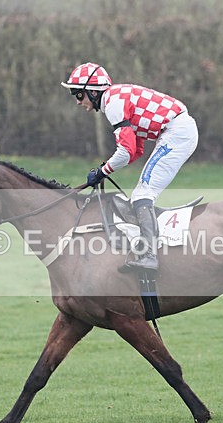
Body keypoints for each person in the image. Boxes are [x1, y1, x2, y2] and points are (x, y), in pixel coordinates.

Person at [61, 62, 198, 272]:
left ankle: (149, 256)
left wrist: (102, 171)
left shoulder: (113, 103)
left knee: (143, 195)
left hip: (177, 133)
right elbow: (136, 150)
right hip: (176, 131)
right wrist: (104, 170)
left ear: (93, 92)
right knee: (140, 195)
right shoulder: (116, 99)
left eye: (78, 94)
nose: (77, 101)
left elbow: (125, 151)